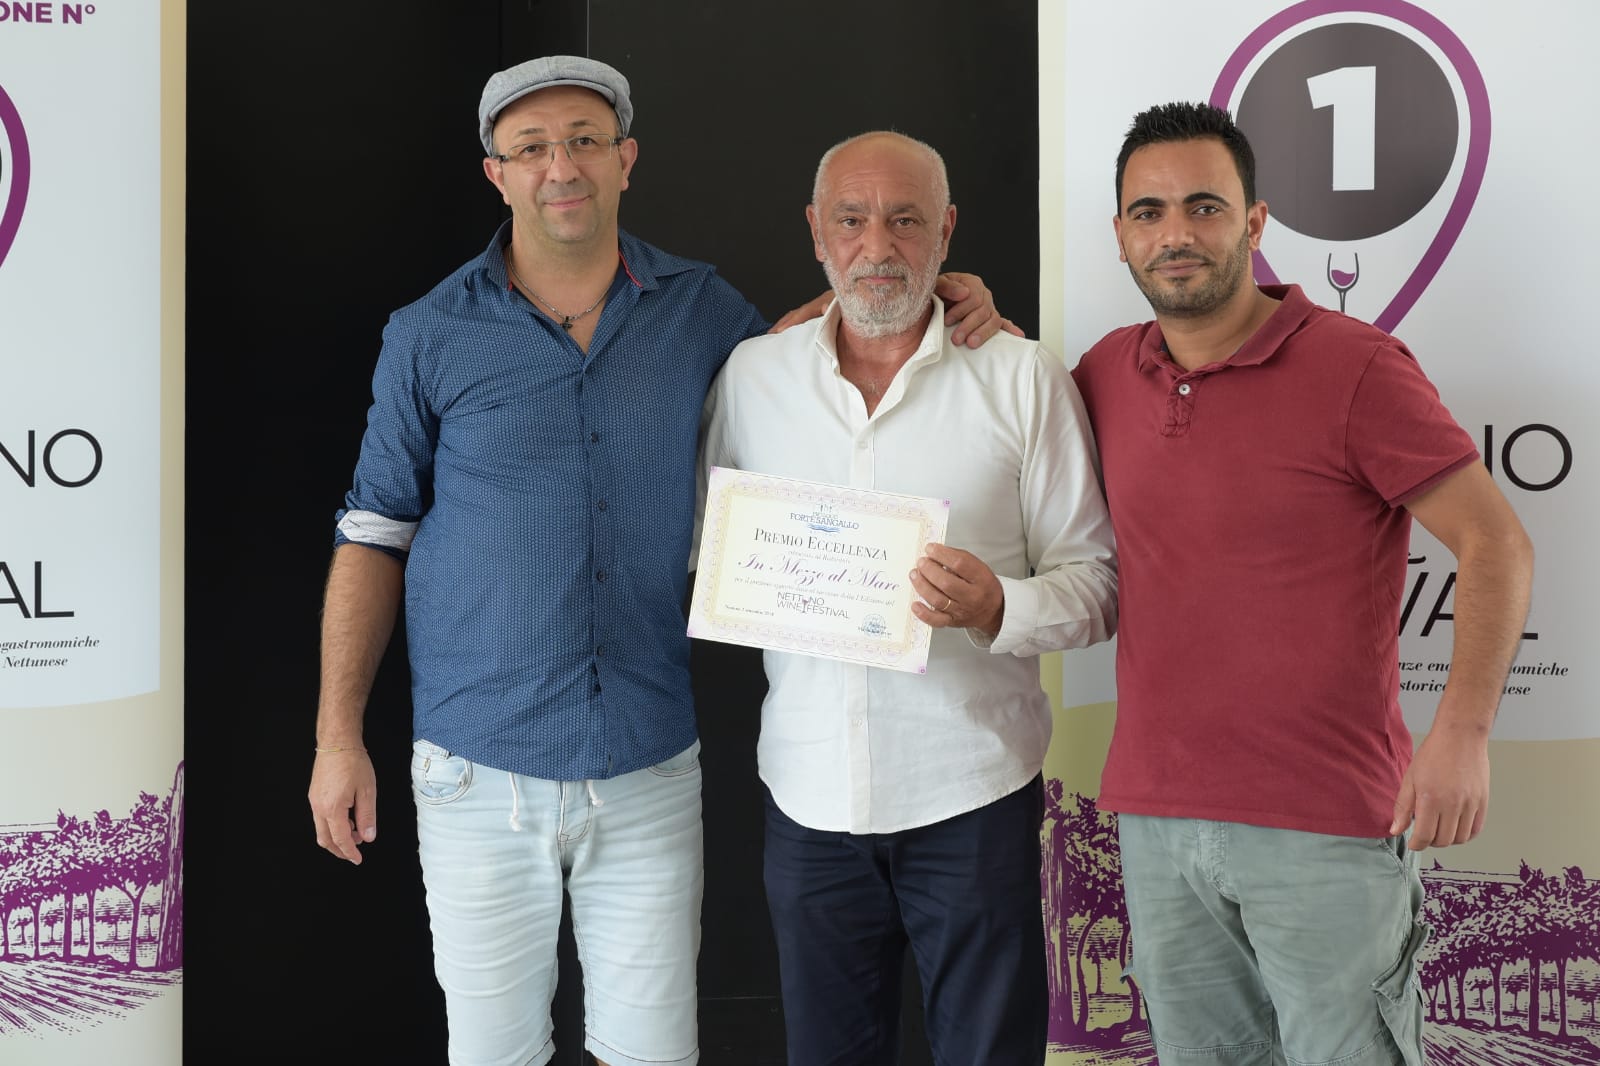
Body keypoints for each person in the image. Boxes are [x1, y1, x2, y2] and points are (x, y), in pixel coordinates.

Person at [304, 57, 1010, 1066]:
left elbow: (825, 352)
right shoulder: (429, 334)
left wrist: (943, 295)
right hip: (473, 768)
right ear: (496, 174)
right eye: (531, 148)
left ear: (626, 159)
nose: (561, 167)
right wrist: (338, 737)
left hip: (647, 767)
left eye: (585, 141)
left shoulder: (702, 309)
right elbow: (374, 532)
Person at [1071, 102, 1534, 1066]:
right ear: (1120, 235)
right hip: (1158, 820)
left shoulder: (1356, 367)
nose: (1176, 233)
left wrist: (1463, 735)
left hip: (1326, 827)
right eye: (1149, 212)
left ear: (1254, 222)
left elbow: (1495, 542)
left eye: (1204, 207)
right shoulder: (1107, 372)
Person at [701, 130, 1119, 1065]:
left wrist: (998, 607)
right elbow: (710, 545)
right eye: (851, 220)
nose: (877, 246)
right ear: (816, 231)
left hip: (972, 798)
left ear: (947, 231)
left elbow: (1096, 584)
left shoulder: (1022, 377)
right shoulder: (755, 377)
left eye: (905, 220)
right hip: (808, 804)